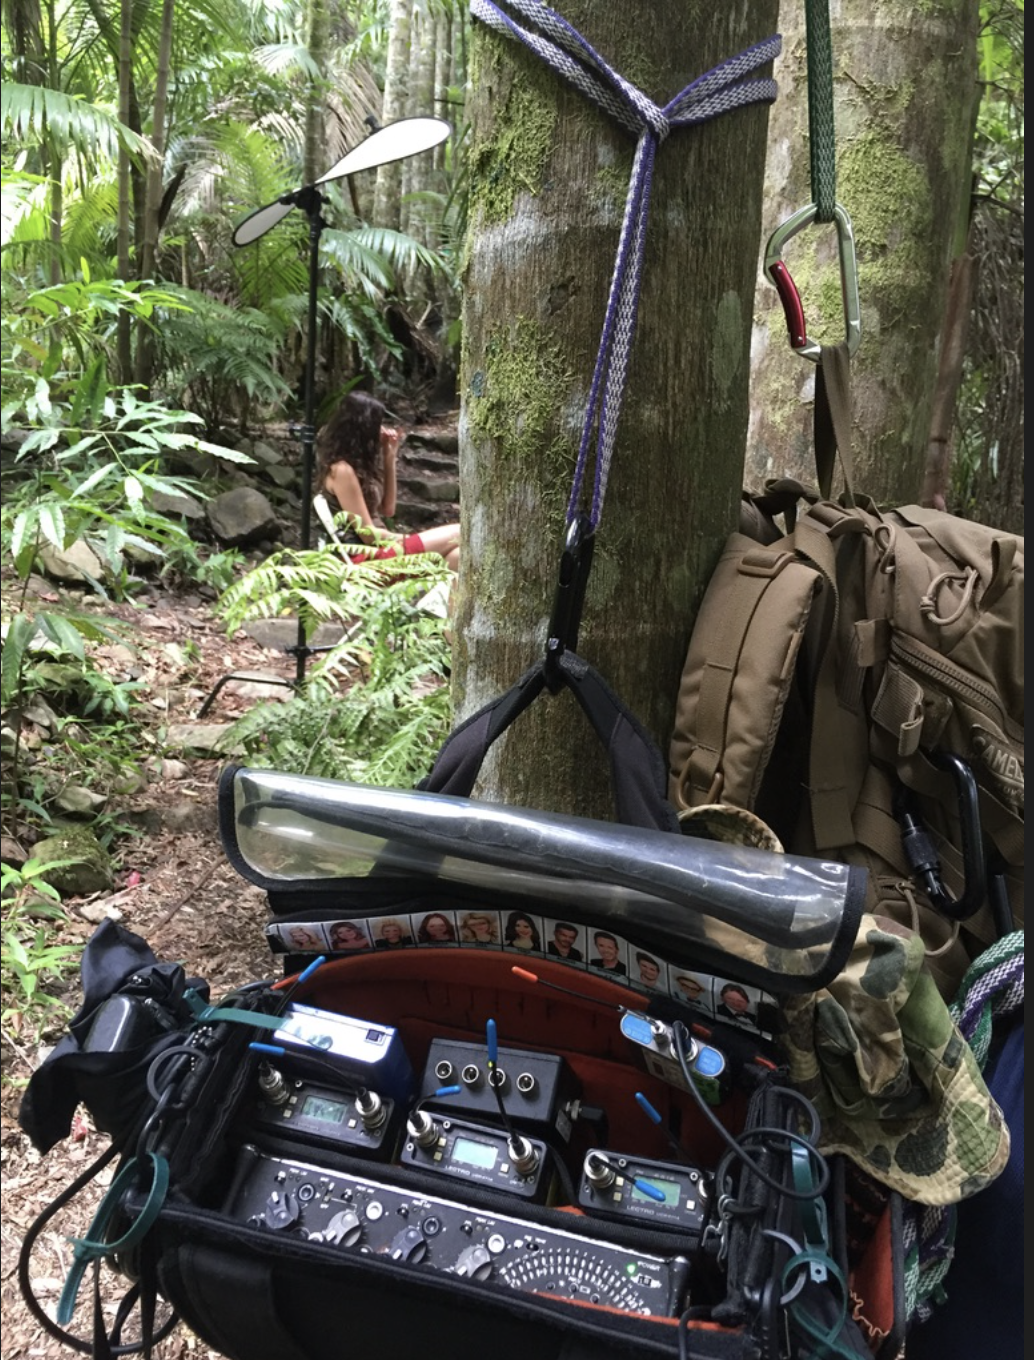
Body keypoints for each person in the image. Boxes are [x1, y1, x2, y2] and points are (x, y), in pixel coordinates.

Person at [315, 391, 460, 569]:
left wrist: (389, 457)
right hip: (365, 559)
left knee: (458, 556)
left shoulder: (358, 467)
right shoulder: (342, 471)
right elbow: (368, 535)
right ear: (364, 428)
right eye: (377, 424)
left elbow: (388, 509)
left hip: (382, 549)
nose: (381, 429)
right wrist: (410, 540)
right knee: (459, 532)